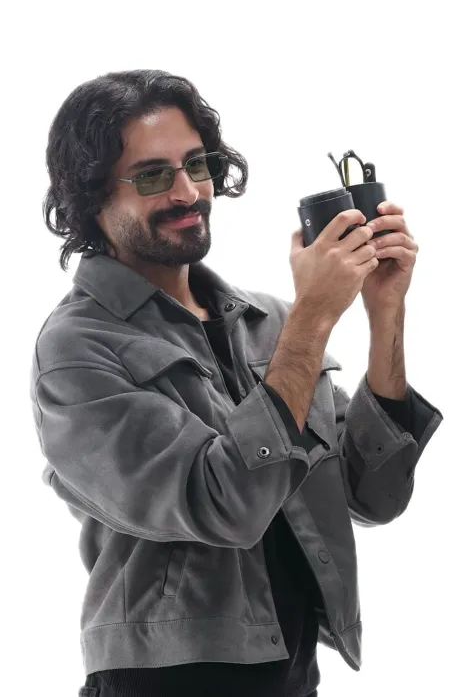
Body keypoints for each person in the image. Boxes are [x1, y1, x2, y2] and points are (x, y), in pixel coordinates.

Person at [30, 70, 443, 697]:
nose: (188, 192)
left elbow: (372, 495)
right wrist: (314, 317)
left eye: (197, 164)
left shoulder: (270, 322)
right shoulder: (76, 350)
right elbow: (226, 505)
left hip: (293, 678)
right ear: (91, 197)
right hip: (162, 684)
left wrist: (385, 312)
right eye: (152, 176)